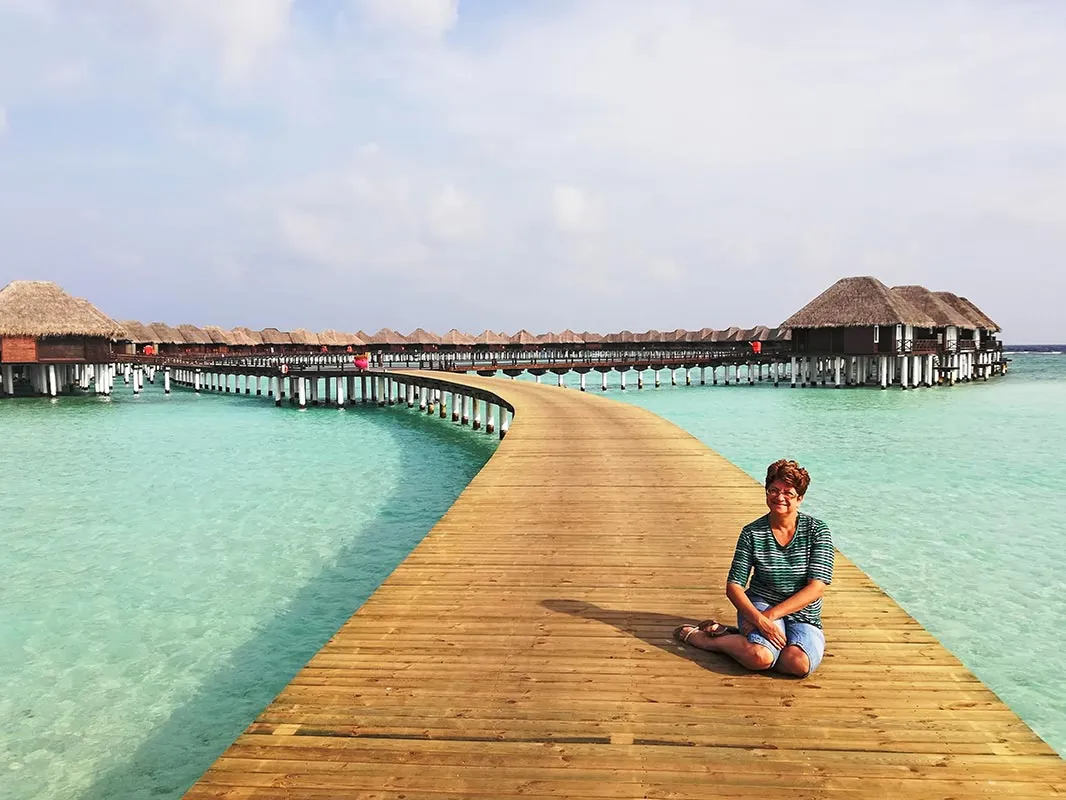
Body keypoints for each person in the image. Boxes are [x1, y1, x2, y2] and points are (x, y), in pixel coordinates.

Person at [673, 459, 833, 677]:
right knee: (761, 657)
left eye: (788, 493)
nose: (780, 497)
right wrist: (758, 618)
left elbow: (816, 588)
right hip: (761, 602)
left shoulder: (817, 531)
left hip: (803, 613)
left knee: (798, 664)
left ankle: (733, 636)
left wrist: (768, 618)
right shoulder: (752, 532)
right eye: (774, 490)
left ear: (800, 498)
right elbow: (734, 586)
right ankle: (709, 642)